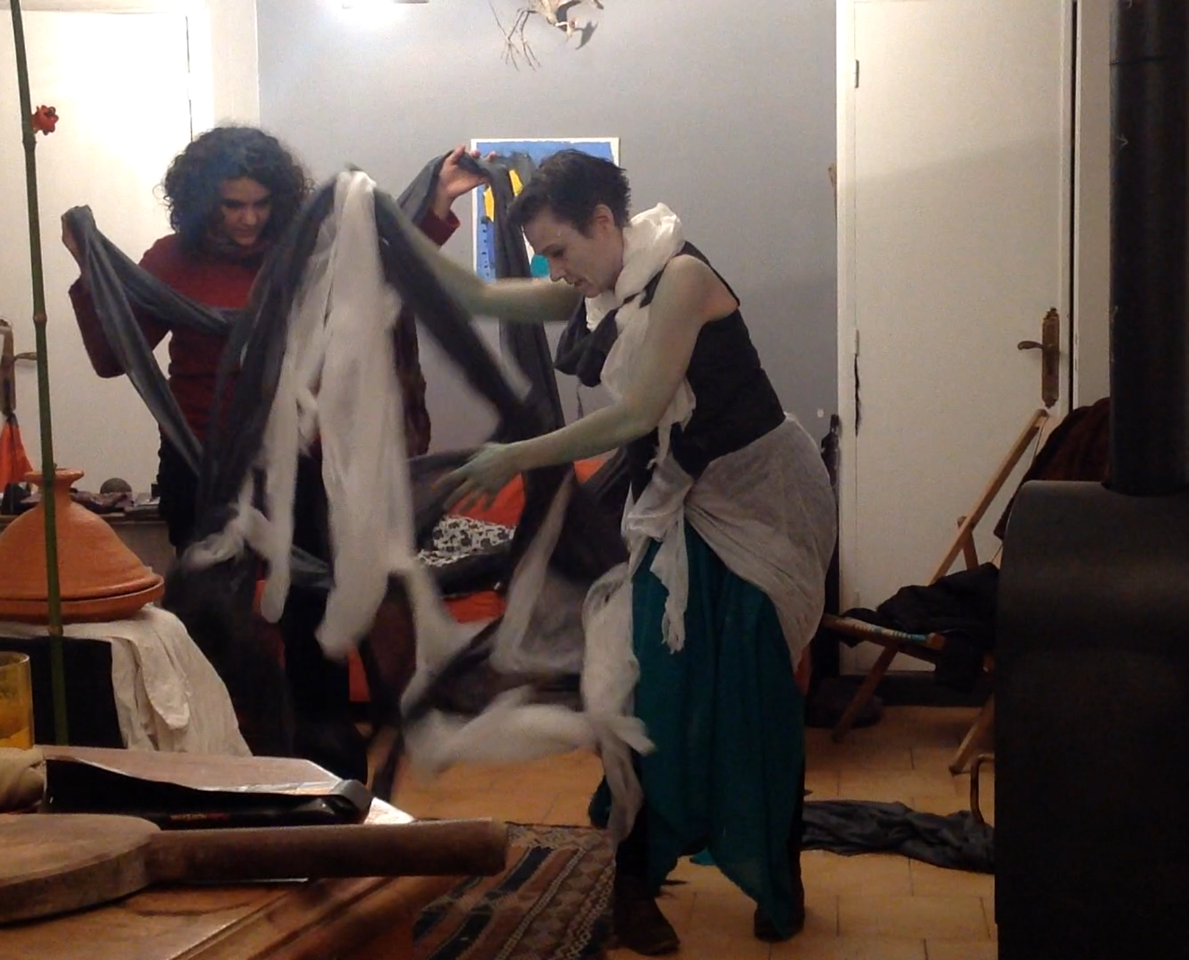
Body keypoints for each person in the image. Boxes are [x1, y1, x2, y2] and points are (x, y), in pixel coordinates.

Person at [423, 150, 836, 953]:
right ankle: (633, 879)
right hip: (677, 507)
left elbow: (637, 413)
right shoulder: (606, 282)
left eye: (559, 250)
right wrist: (417, 216)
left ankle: (775, 878)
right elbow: (480, 296)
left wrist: (513, 457)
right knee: (648, 697)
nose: (556, 270)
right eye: (544, 255)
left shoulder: (681, 278)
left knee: (756, 699)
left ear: (605, 222)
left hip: (759, 509)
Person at [62, 126, 487, 780]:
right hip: (200, 464)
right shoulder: (172, 259)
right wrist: (92, 273)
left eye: (261, 204)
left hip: (300, 463)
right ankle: (224, 764)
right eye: (233, 205)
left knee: (313, 613)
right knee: (212, 618)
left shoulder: (303, 250)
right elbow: (112, 357)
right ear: (202, 201)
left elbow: (379, 270)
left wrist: (436, 204)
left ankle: (329, 767)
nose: (249, 219)